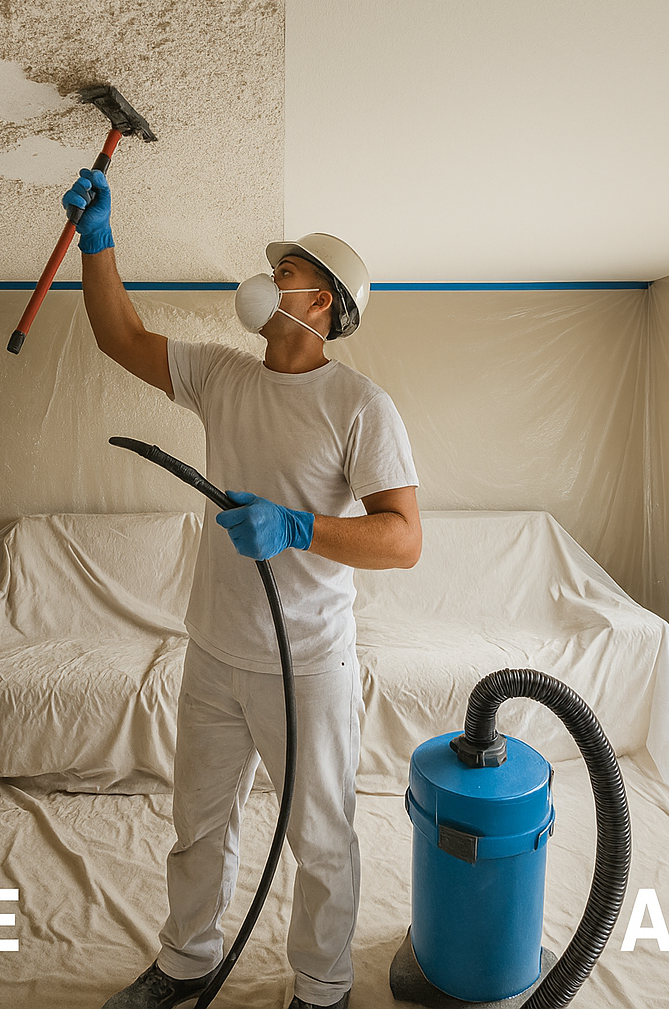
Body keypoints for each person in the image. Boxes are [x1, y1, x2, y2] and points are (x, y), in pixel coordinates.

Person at [63, 167, 421, 1009]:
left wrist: (299, 527)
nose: (268, 280)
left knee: (321, 838)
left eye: (287, 271)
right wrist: (99, 242)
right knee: (199, 826)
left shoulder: (360, 406)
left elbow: (402, 540)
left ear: (322, 302)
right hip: (215, 651)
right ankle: (187, 962)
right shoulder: (225, 376)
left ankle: (323, 988)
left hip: (308, 663)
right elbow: (121, 338)